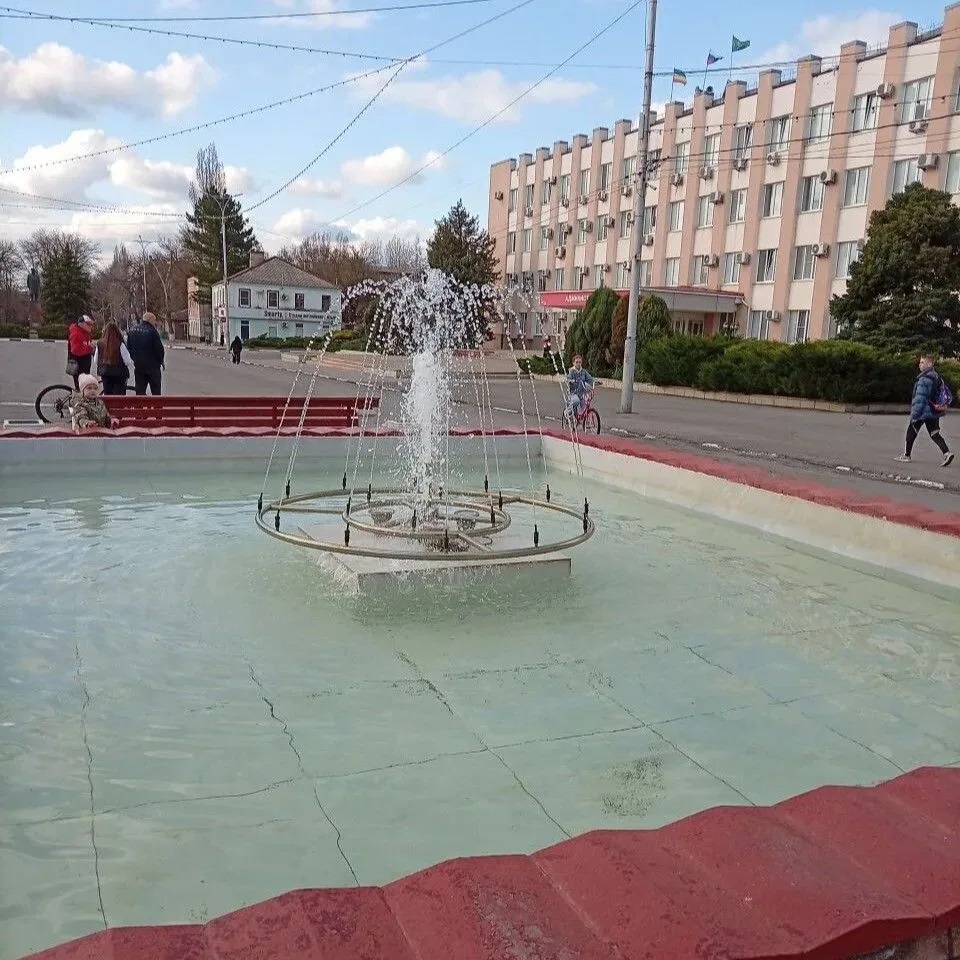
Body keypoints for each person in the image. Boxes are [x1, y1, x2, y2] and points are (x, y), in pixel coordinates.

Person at [896, 354, 953, 467]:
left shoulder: (924, 379)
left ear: (929, 364)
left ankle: (906, 455)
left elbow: (920, 399)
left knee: (911, 430)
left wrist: (915, 414)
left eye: (922, 362)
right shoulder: (936, 376)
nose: (919, 364)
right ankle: (947, 453)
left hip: (923, 411)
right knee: (934, 433)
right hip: (933, 411)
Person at [126, 311, 165, 395]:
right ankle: (156, 404)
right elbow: (159, 349)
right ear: (150, 319)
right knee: (156, 392)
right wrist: (160, 361)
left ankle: (140, 403)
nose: (155, 323)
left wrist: (135, 358)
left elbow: (129, 348)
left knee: (140, 391)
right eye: (154, 320)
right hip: (153, 367)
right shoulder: (152, 331)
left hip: (139, 367)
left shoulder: (132, 330)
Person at [92, 321, 133, 395]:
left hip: (105, 373)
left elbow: (96, 360)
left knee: (108, 395)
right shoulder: (120, 344)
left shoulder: (100, 344)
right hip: (119, 374)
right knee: (119, 396)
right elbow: (127, 361)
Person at [67, 315, 95, 389]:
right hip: (79, 366)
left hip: (84, 365)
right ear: (81, 324)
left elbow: (86, 344)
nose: (90, 326)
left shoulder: (85, 332)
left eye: (91, 324)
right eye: (88, 324)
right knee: (81, 388)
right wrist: (90, 348)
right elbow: (75, 350)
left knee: (84, 387)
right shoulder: (76, 333)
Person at [566, 354, 594, 418]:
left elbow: (590, 378)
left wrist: (595, 381)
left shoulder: (583, 371)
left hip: (582, 393)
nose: (578, 364)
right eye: (577, 362)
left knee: (586, 403)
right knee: (576, 401)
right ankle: (567, 412)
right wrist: (572, 381)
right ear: (573, 363)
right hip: (573, 393)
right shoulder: (571, 371)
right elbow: (568, 379)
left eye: (580, 362)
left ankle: (582, 419)